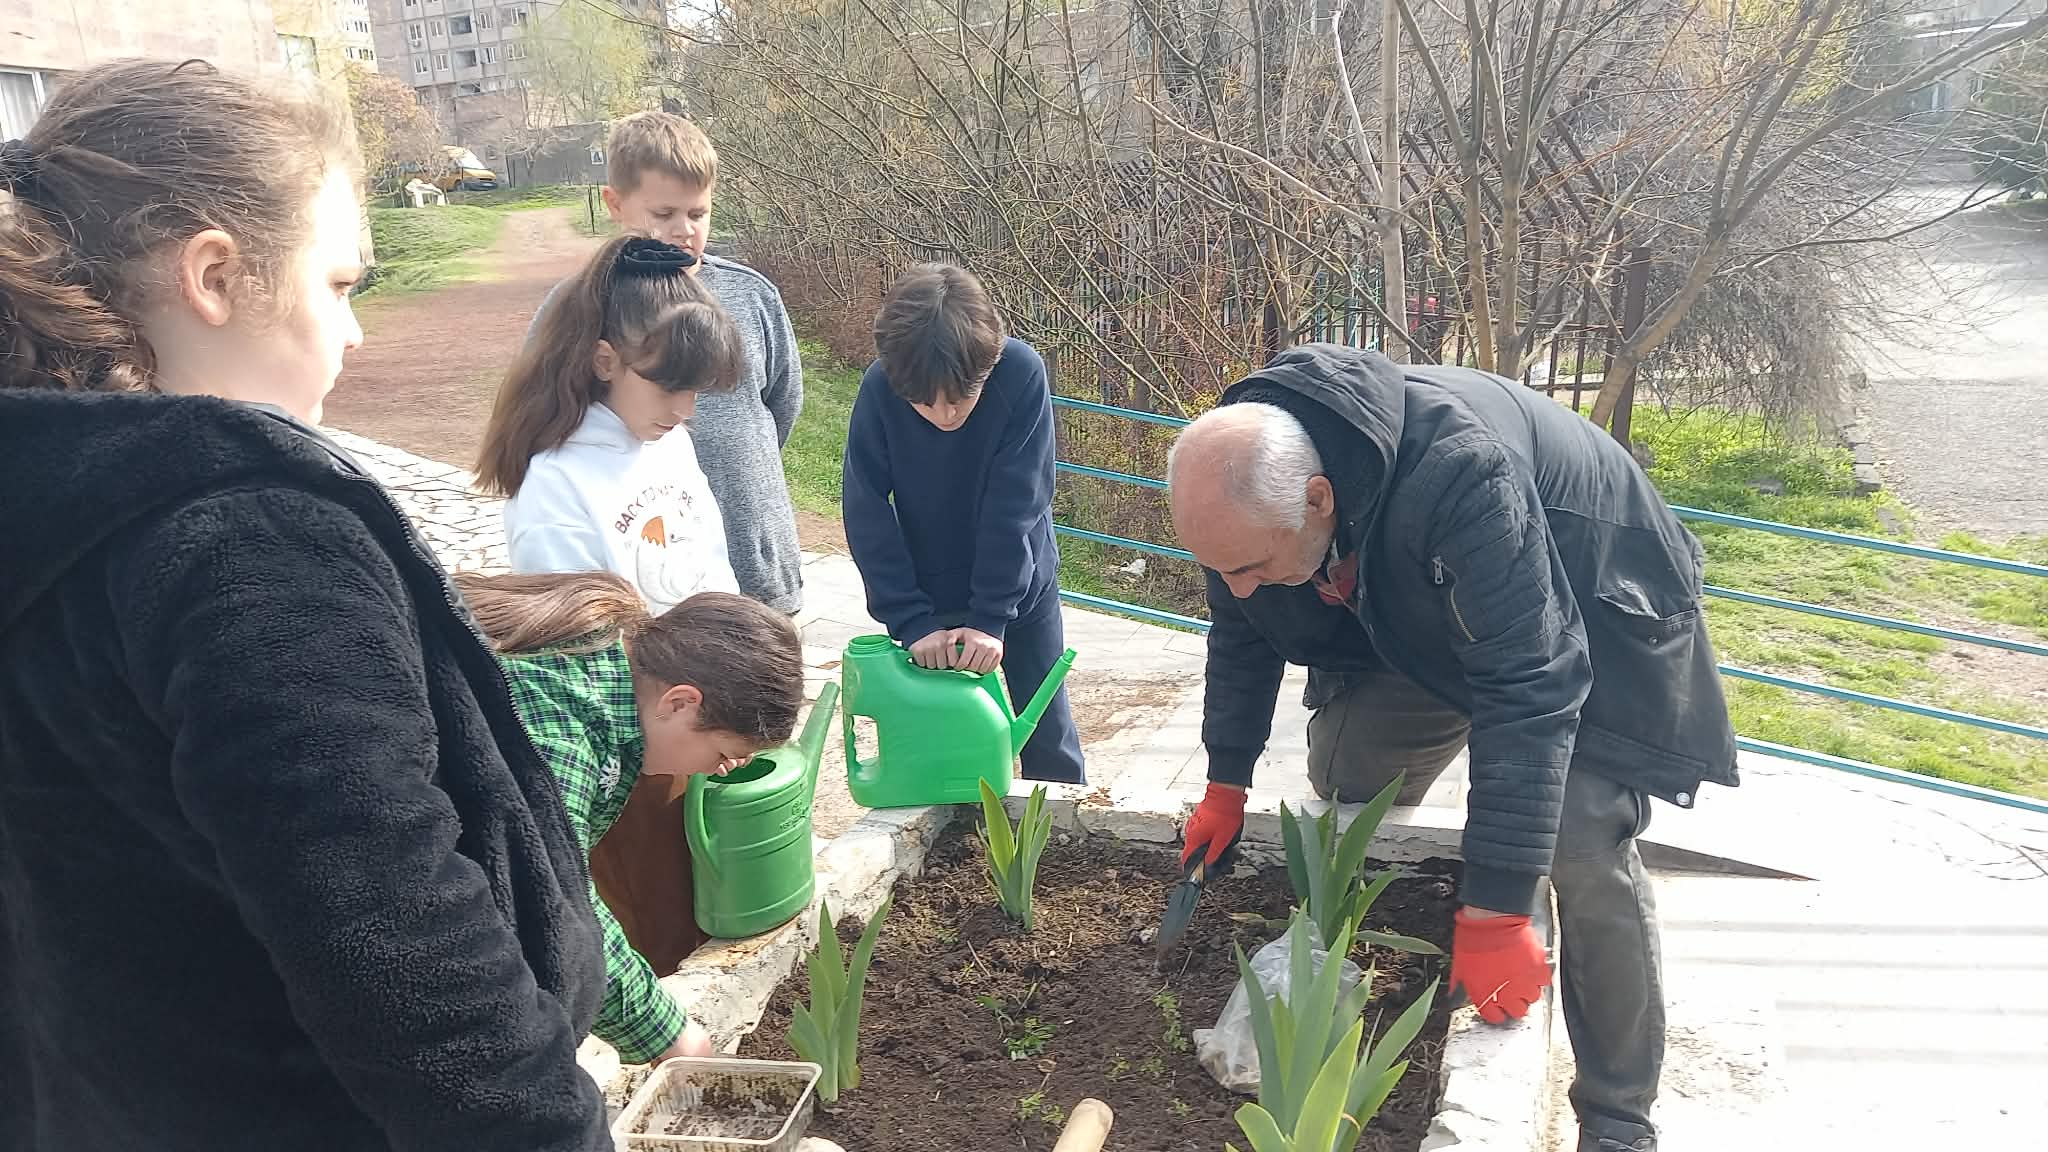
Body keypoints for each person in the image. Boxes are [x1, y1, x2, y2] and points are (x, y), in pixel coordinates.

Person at [0, 59, 609, 1150]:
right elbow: (397, 938)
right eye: (339, 285)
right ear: (218, 276)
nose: (355, 335)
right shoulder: (243, 542)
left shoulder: (50, 505)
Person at [1166, 344, 1739, 1152]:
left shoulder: (1459, 470)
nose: (1239, 585)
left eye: (1253, 566)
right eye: (1223, 569)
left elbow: (1529, 680)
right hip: (1438, 610)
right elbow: (1242, 632)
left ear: (1320, 497)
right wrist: (1226, 781)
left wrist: (1499, 904)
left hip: (1591, 600)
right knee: (1346, 772)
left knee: (1578, 839)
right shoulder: (1241, 480)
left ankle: (1617, 1118)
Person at [457, 572, 805, 1068]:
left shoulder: (611, 654)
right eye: (726, 753)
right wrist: (667, 1033)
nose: (720, 770)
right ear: (680, 702)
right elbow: (554, 899)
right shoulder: (559, 736)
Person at [529, 112, 804, 614]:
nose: (683, 231)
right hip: (645, 579)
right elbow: (546, 415)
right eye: (663, 214)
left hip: (757, 565)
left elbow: (781, 404)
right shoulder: (578, 307)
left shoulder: (752, 295)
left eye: (698, 214)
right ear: (615, 203)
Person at [841, 263, 1085, 784]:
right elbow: (865, 507)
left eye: (961, 398)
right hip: (925, 595)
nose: (944, 415)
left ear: (989, 364)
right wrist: (910, 619)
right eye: (924, 403)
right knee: (938, 742)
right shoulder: (882, 386)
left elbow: (1017, 503)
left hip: (1020, 590)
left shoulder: (1020, 373)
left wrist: (991, 616)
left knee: (1048, 736)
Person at [480, 234, 744, 614]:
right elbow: (579, 647)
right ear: (604, 361)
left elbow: (716, 574)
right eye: (669, 387)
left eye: (695, 390)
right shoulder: (554, 484)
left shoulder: (672, 444)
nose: (685, 410)